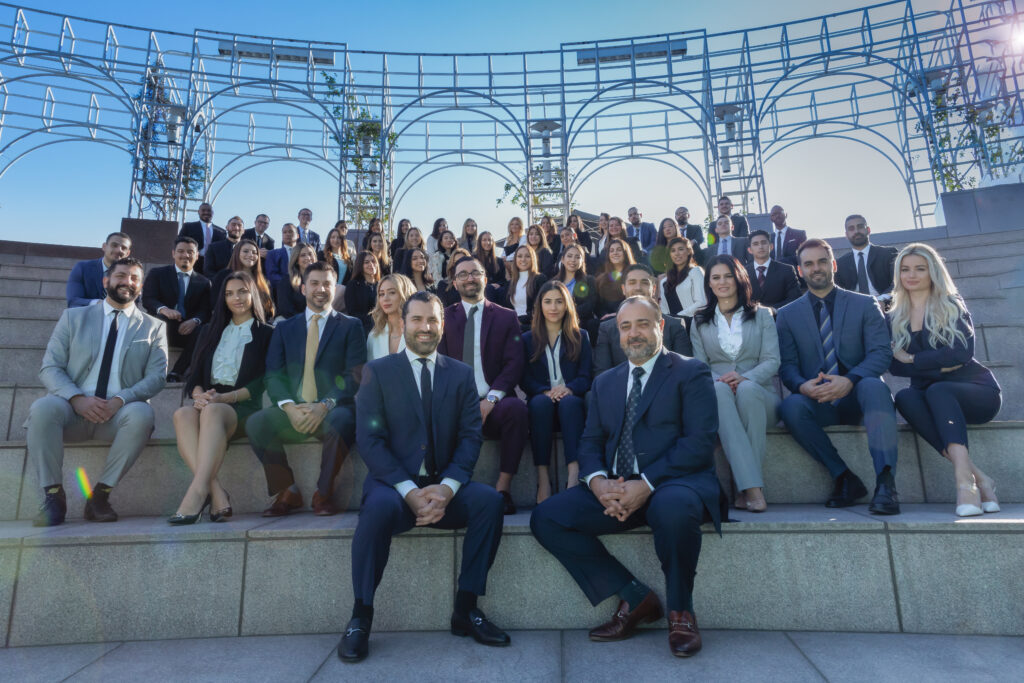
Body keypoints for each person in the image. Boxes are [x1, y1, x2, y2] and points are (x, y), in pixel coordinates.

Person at [530, 295, 722, 658]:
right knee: (546, 517)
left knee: (674, 509)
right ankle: (636, 597)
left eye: (642, 324)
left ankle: (681, 612)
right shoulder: (605, 383)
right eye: (625, 326)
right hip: (616, 485)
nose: (634, 333)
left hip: (672, 483)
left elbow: (699, 443)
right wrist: (600, 483)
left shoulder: (690, 371)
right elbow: (589, 443)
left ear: (660, 326)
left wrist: (645, 484)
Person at [340, 291, 508, 663]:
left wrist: (447, 489)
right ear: (403, 323)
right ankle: (361, 616)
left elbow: (470, 436)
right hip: (394, 487)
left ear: (442, 325)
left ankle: (466, 609)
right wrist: (407, 490)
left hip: (443, 485)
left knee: (490, 503)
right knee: (376, 512)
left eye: (432, 320)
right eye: (416, 319)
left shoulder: (461, 375)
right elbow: (370, 439)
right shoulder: (378, 372)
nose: (425, 327)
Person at [28, 257, 167, 526]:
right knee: (42, 408)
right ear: (106, 281)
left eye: (135, 278)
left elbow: (157, 377)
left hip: (118, 414)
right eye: (121, 275)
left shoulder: (154, 327)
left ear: (141, 286)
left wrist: (120, 400)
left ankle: (100, 496)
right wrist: (77, 399)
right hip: (71, 410)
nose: (128, 282)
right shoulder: (73, 317)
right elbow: (50, 368)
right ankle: (54, 496)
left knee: (142, 413)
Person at [776, 239, 900, 513]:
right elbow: (787, 367)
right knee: (791, 405)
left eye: (822, 261)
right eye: (808, 264)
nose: (816, 268)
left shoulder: (865, 304)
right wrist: (802, 386)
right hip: (818, 400)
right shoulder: (786, 315)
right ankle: (843, 477)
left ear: (833, 265)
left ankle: (886, 482)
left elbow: (881, 353)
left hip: (858, 397)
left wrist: (850, 380)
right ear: (800, 271)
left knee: (876, 387)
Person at [887, 243, 1002, 517]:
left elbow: (963, 353)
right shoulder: (893, 316)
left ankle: (965, 484)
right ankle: (980, 479)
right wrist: (941, 365)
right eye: (905, 269)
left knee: (938, 391)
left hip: (977, 392)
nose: (911, 275)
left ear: (933, 272)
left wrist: (915, 361)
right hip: (930, 395)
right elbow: (893, 366)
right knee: (904, 397)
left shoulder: (952, 305)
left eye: (920, 268)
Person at [246, 261, 365, 517]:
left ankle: (324, 492)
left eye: (327, 284)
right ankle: (288, 491)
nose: (320, 289)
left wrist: (324, 405)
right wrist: (289, 408)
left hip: (332, 410)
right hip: (295, 410)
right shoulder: (284, 328)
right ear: (303, 288)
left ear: (336, 289)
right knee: (257, 423)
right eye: (314, 283)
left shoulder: (351, 326)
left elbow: (353, 375)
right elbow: (273, 375)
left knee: (344, 419)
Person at [170, 271, 273, 524]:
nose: (236, 298)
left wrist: (223, 400)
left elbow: (263, 382)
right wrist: (199, 395)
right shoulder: (209, 331)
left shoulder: (267, 333)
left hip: (242, 405)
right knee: (183, 414)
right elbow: (193, 376)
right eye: (229, 294)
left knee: (213, 411)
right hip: (209, 402)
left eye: (242, 291)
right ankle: (216, 492)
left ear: (253, 293)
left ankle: (196, 493)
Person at [438, 257, 528, 515]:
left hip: (494, 403)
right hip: (456, 404)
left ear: (485, 279)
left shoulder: (506, 316)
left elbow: (514, 363)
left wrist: (491, 399)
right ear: (455, 283)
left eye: (475, 273)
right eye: (463, 274)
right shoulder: (442, 318)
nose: (469, 278)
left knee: (517, 411)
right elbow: (440, 364)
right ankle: (445, 487)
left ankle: (503, 489)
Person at [690, 256, 780, 512]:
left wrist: (745, 378)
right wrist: (721, 380)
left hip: (761, 397)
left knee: (748, 390)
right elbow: (700, 366)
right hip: (720, 395)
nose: (722, 282)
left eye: (728, 276)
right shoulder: (699, 321)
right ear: (709, 283)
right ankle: (752, 489)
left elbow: (772, 361)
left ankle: (745, 488)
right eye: (716, 277)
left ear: (739, 278)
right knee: (718, 390)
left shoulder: (762, 315)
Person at [521, 281, 592, 504]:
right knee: (539, 404)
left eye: (559, 302)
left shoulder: (580, 336)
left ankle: (573, 474)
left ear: (567, 305)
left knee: (570, 404)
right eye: (548, 302)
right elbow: (524, 378)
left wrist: (568, 388)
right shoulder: (527, 339)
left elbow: (586, 376)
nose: (553, 307)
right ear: (539, 306)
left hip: (570, 402)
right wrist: (544, 391)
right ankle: (543, 478)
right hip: (542, 402)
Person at [593, 264, 693, 376]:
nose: (638, 288)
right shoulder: (606, 329)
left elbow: (685, 373)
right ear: (623, 289)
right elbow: (602, 376)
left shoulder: (675, 326)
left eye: (644, 283)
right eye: (632, 283)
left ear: (654, 289)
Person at [142, 236, 212, 383]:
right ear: (173, 253)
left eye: (190, 252)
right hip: (162, 326)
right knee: (157, 320)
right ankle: (151, 371)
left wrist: (195, 321)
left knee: (205, 329)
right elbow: (148, 299)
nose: (185, 255)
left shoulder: (204, 282)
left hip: (188, 331)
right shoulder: (157, 274)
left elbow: (205, 310)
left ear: (197, 256)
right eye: (180, 251)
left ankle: (176, 372)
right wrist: (164, 309)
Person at [835, 214, 898, 310]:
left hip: (885, 307)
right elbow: (838, 292)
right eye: (851, 229)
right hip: (855, 311)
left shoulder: (888, 254)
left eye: (860, 227)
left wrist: (881, 300)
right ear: (846, 235)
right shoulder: (840, 264)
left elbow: (897, 283)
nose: (856, 231)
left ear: (868, 230)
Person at [210, 239, 275, 318]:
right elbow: (215, 304)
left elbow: (269, 308)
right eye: (246, 251)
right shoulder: (223, 275)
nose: (251, 255)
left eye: (255, 253)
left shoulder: (264, 281)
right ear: (237, 253)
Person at [66, 232, 132, 307]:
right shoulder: (82, 268)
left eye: (124, 248)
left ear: (127, 253)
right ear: (104, 247)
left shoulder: (131, 277)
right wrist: (100, 304)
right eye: (114, 245)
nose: (118, 250)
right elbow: (74, 301)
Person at [745, 229, 801, 310]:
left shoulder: (787, 270)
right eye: (755, 244)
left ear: (771, 246)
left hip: (779, 319)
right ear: (750, 250)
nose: (760, 247)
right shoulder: (742, 272)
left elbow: (795, 298)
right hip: (751, 319)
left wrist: (773, 310)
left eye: (763, 242)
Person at [366, 274, 416, 361]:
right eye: (381, 294)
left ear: (405, 294)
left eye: (392, 292)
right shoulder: (374, 336)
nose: (385, 298)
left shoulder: (419, 333)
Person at [555, 244, 598, 339]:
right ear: (562, 259)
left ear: (582, 261)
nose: (573, 260)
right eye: (569, 256)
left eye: (577, 257)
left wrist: (566, 313)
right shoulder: (553, 283)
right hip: (556, 326)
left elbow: (589, 305)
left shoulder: (589, 281)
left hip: (580, 327)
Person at [503, 245, 548, 331]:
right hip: (514, 327)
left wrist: (519, 320)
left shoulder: (540, 279)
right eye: (519, 256)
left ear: (533, 259)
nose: (523, 259)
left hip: (533, 327)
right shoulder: (510, 283)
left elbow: (541, 307)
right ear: (515, 259)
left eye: (527, 256)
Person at [659, 237, 705, 319]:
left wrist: (677, 318)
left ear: (688, 251)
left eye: (680, 249)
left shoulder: (696, 272)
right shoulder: (663, 282)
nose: (677, 253)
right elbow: (664, 310)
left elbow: (702, 303)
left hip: (695, 324)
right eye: (673, 251)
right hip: (675, 329)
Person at [273, 243, 318, 320]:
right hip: (292, 320)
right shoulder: (287, 280)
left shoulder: (320, 280)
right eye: (303, 255)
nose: (308, 258)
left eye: (310, 254)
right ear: (296, 260)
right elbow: (286, 310)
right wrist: (306, 320)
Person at [595, 238, 635, 319]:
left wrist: (617, 314)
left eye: (619, 250)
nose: (615, 253)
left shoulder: (634, 275)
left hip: (630, 317)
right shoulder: (602, 279)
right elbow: (598, 305)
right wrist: (605, 315)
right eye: (611, 250)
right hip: (607, 320)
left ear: (625, 253)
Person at [179, 202, 224, 274]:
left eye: (209, 211)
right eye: (203, 210)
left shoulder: (221, 232)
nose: (206, 212)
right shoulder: (188, 227)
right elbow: (179, 243)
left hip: (213, 265)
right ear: (198, 212)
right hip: (193, 262)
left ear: (212, 213)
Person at [345, 251, 381, 333]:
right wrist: (373, 319)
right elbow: (352, 312)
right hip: (363, 328)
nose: (371, 264)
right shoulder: (353, 285)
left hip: (383, 326)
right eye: (366, 262)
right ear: (360, 265)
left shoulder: (382, 284)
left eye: (373, 261)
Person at [266, 223, 299, 288]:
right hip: (282, 292)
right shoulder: (272, 254)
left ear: (298, 236)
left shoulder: (303, 252)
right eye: (284, 232)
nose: (287, 234)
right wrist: (290, 283)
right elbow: (272, 276)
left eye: (290, 231)